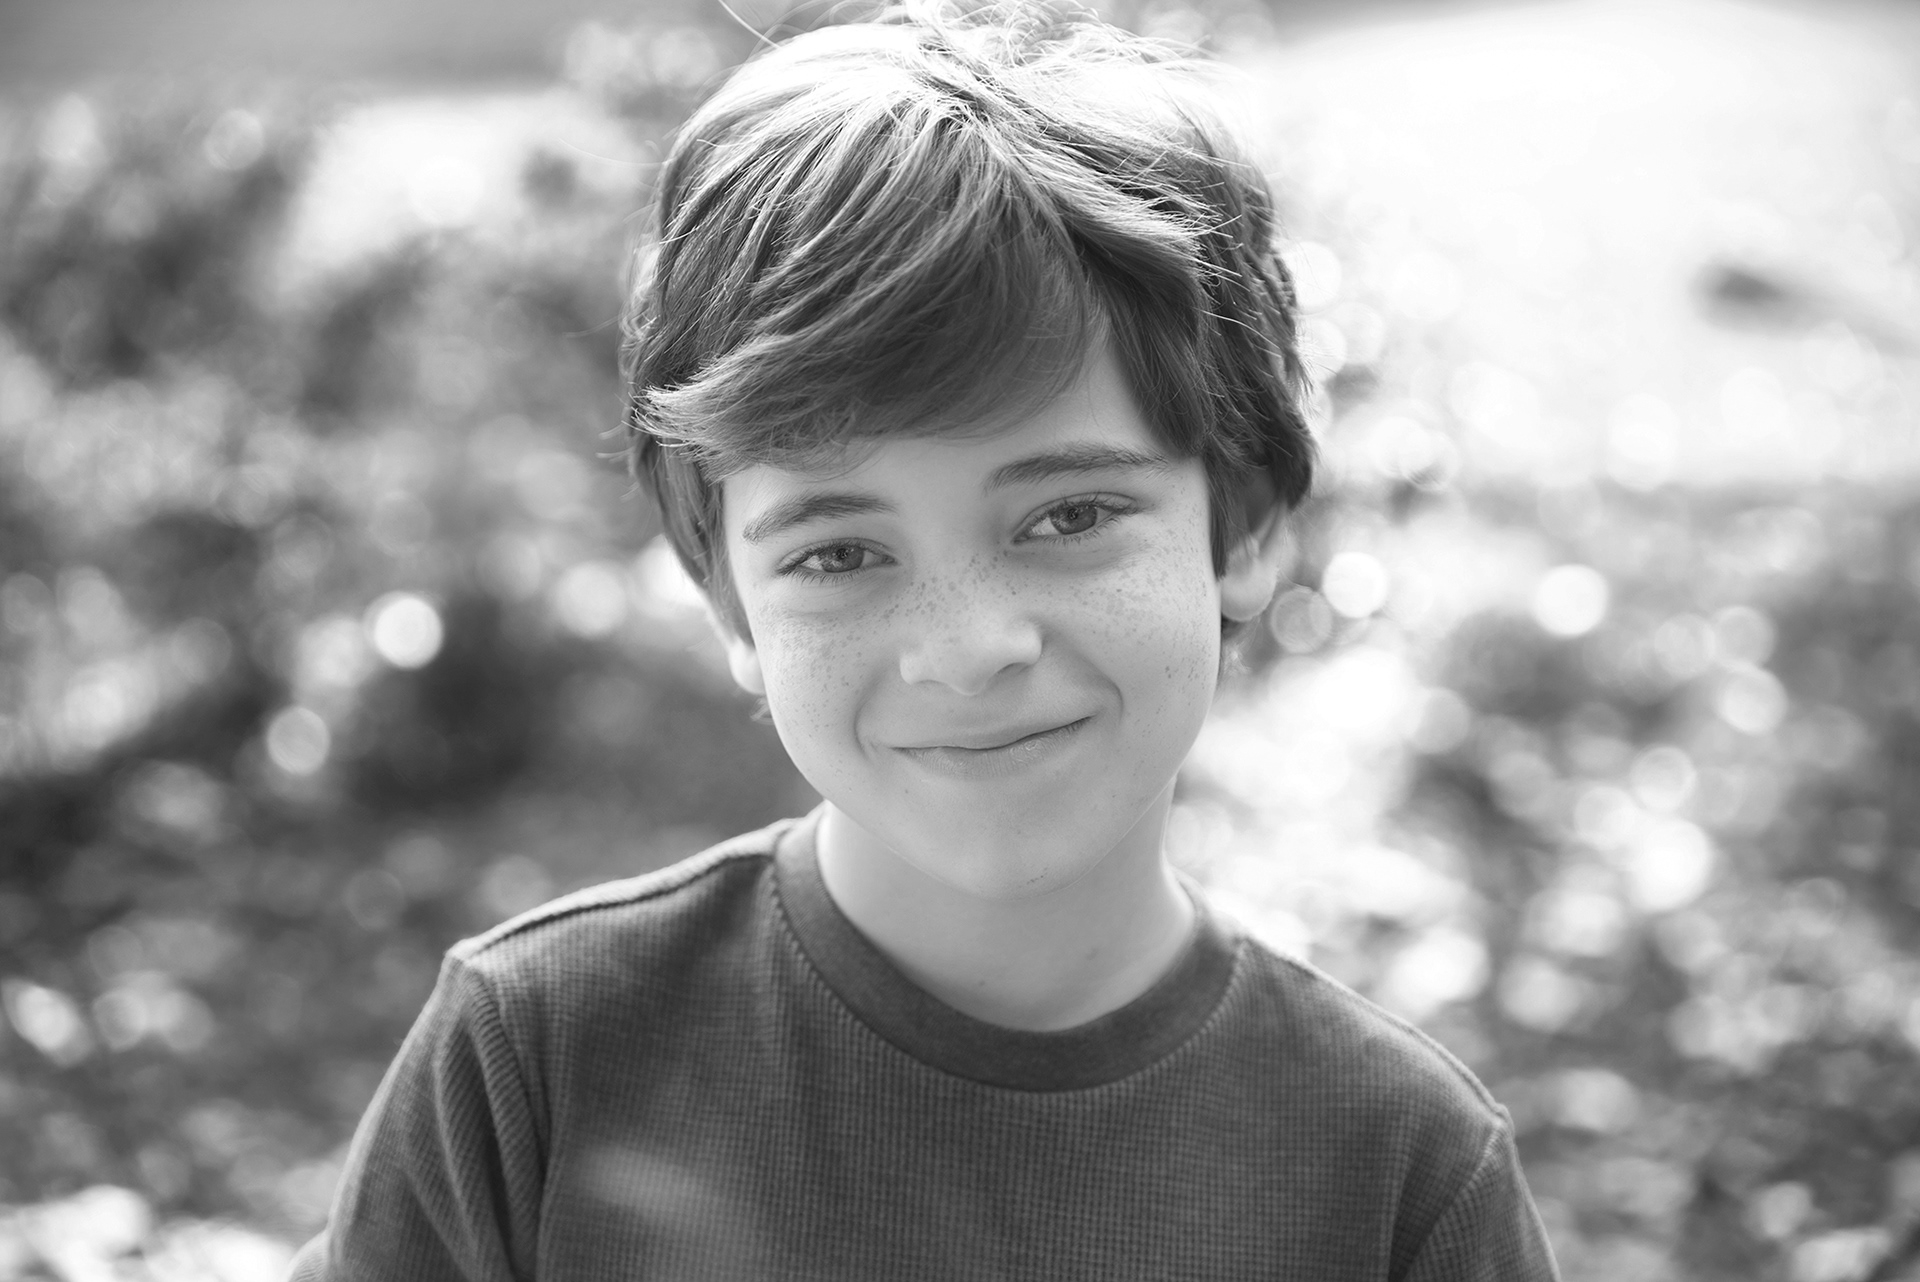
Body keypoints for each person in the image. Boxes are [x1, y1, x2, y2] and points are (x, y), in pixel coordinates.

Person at [290, 3, 1560, 1277]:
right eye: (840, 554)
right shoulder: (536, 1063)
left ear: (1243, 530)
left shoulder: (1397, 1174)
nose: (965, 649)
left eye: (1069, 516)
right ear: (732, 606)